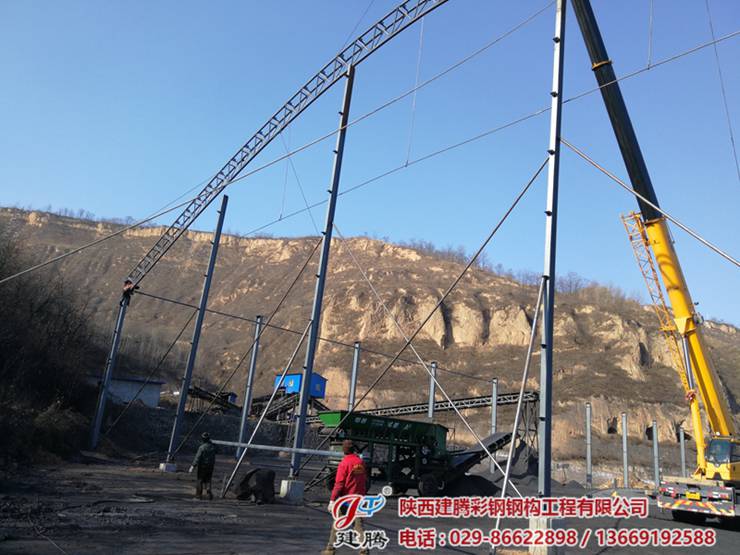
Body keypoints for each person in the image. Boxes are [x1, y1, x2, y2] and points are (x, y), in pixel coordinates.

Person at [322, 440, 368, 555]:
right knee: (358, 526)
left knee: (337, 523)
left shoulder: (344, 463)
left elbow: (339, 484)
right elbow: (363, 481)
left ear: (344, 450)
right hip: (358, 499)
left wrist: (332, 500)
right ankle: (364, 550)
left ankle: (330, 549)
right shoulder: (360, 462)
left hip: (346, 500)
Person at [189, 432, 217, 500]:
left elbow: (197, 457)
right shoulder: (213, 447)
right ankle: (209, 493)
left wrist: (193, 466)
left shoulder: (201, 447)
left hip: (202, 466)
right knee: (208, 480)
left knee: (200, 480)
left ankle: (198, 496)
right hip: (210, 466)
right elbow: (217, 451)